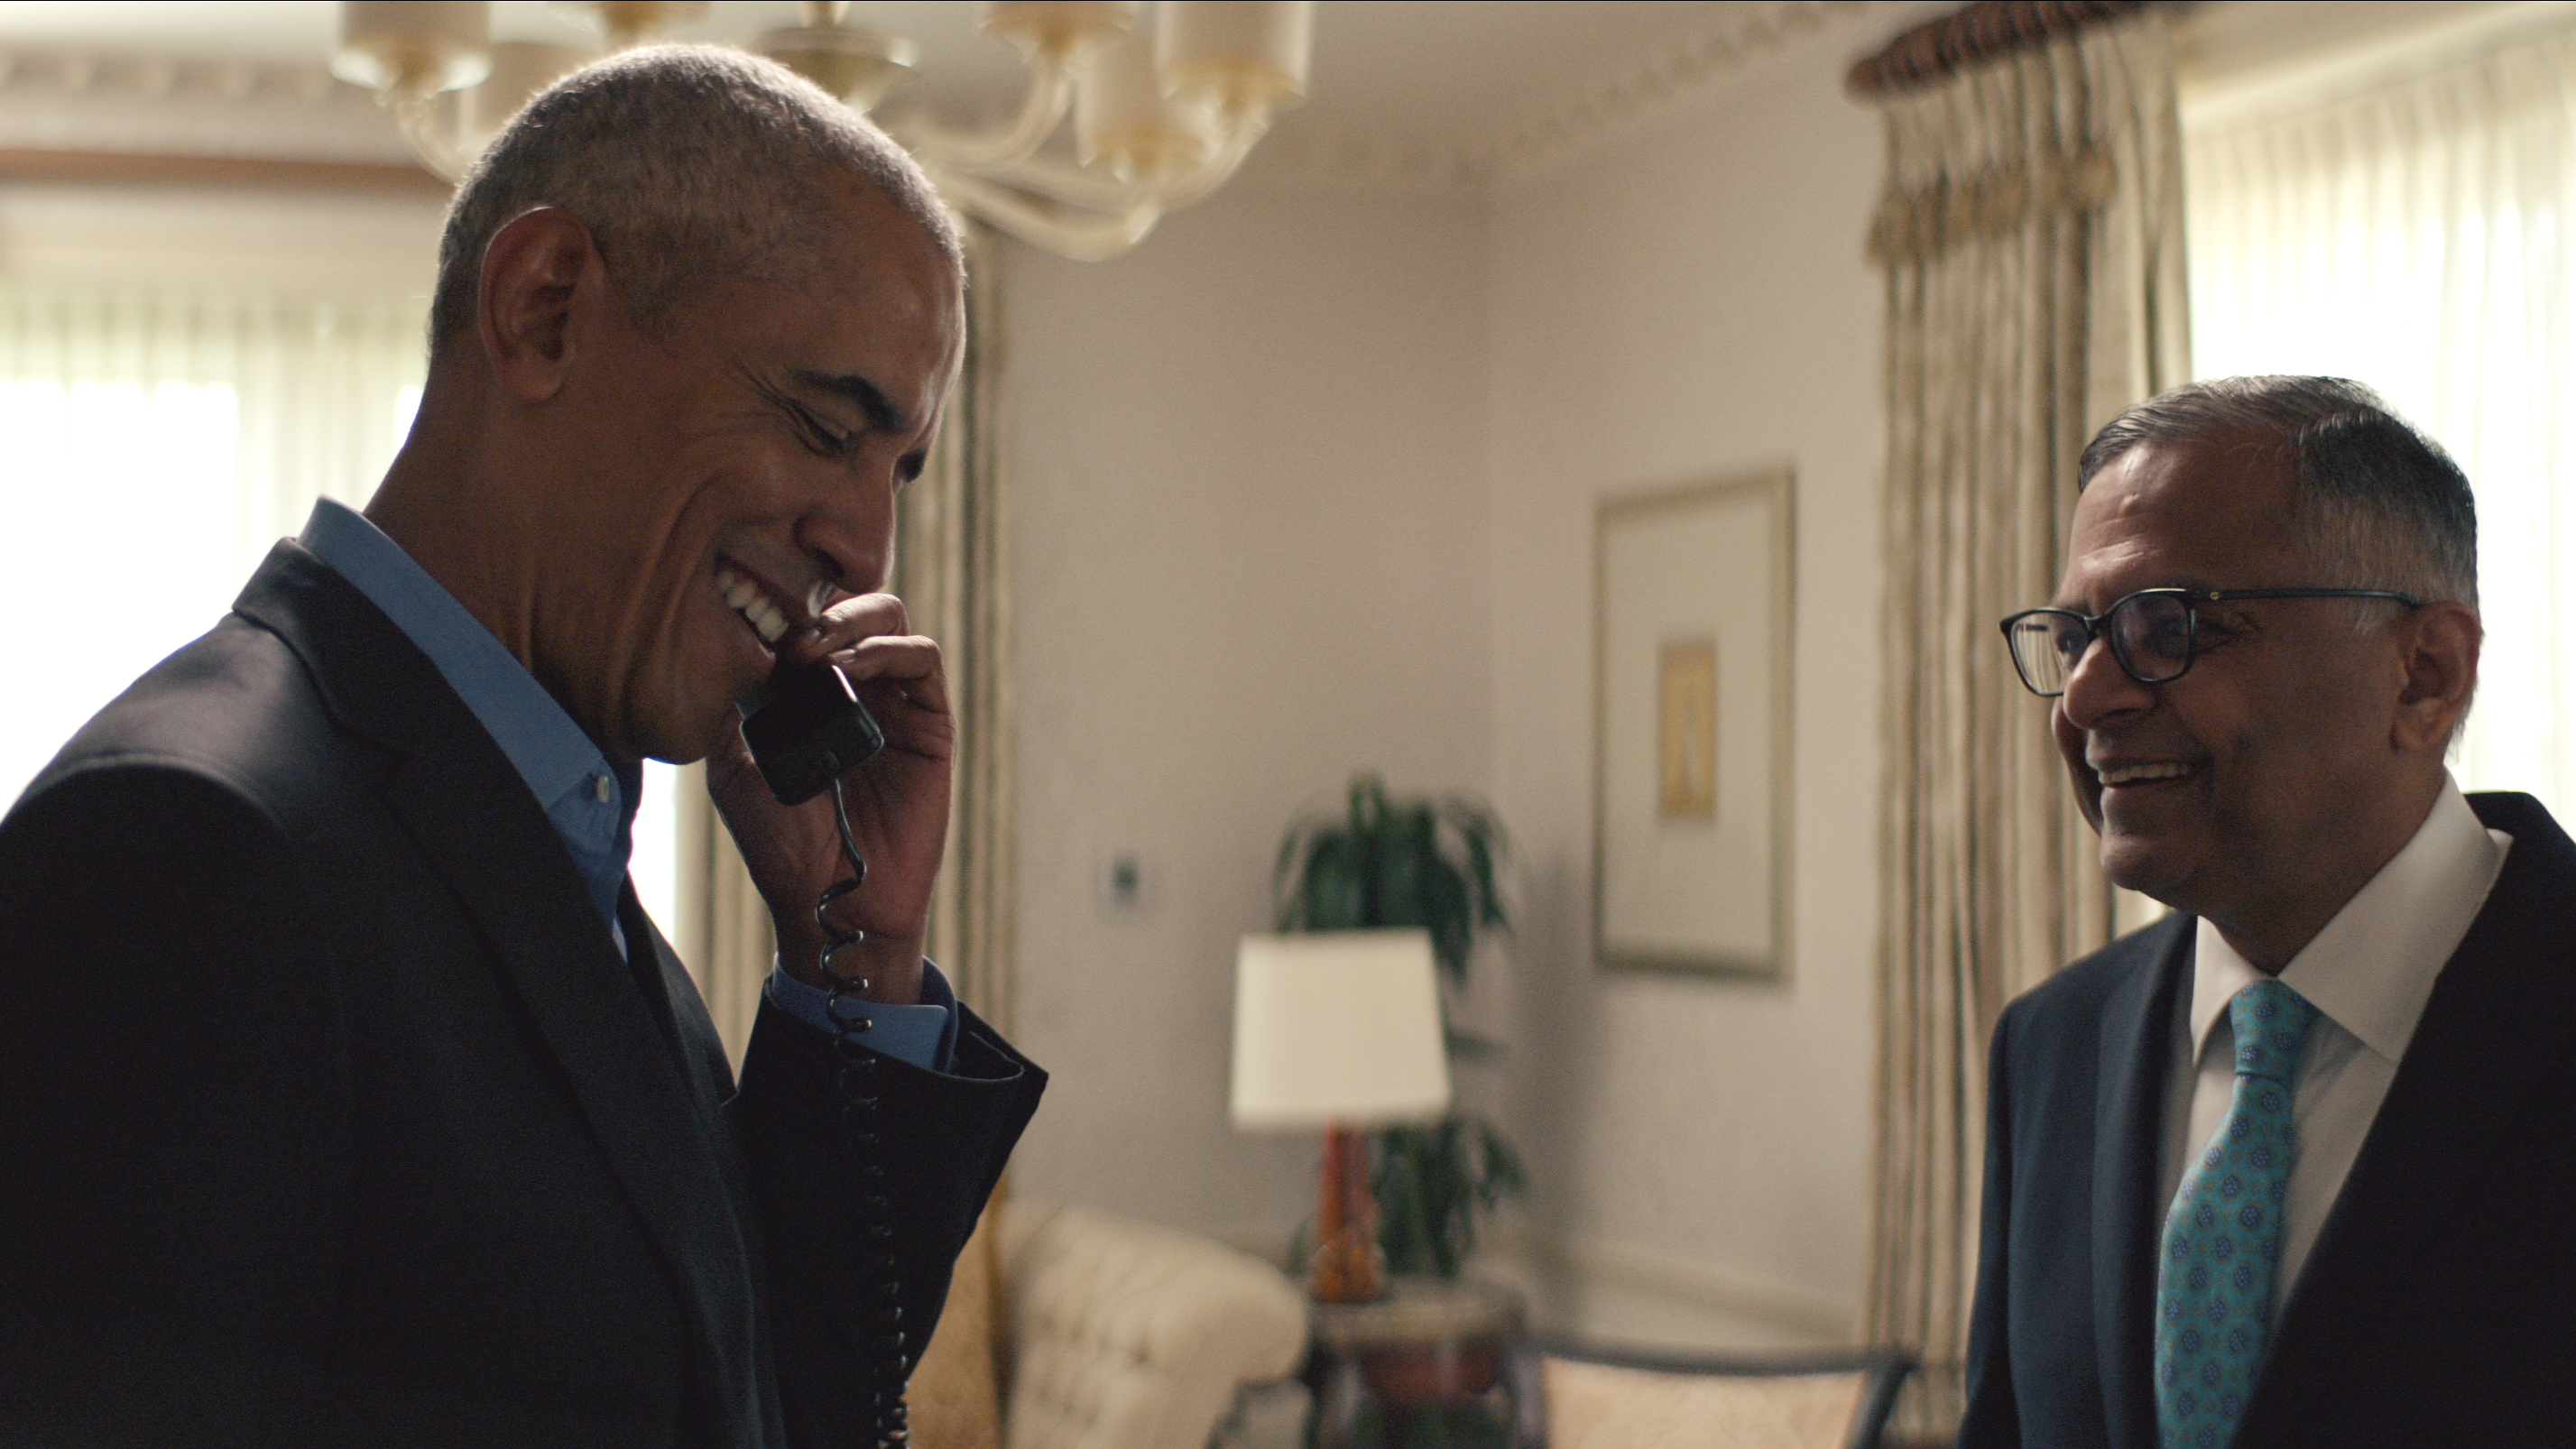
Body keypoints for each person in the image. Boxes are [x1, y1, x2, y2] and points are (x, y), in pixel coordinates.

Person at [0, 46, 1044, 1449]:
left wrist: (852, 957)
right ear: (543, 310)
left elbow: (769, 1408)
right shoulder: (195, 844)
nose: (862, 547)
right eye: (819, 426)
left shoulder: (576, 873)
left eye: (895, 470)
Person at [1958, 375, 2576, 1448]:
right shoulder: (2049, 1049)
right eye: (2073, 638)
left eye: (2167, 627)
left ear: (2422, 672)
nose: (2085, 699)